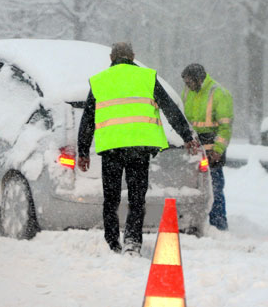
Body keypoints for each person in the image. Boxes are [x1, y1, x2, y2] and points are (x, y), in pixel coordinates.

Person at [77, 42, 198, 255]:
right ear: (133, 56)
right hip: (139, 149)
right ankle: (132, 241)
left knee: (111, 198)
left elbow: (88, 119)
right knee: (136, 198)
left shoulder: (100, 81)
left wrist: (83, 151)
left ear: (111, 58)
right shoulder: (147, 78)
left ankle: (112, 242)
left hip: (112, 149)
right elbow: (170, 109)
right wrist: (186, 136)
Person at [181, 63, 234, 231]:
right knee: (191, 187)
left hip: (212, 149)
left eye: (190, 82)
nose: (187, 86)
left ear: (199, 79)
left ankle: (218, 225)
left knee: (214, 187)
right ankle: (193, 223)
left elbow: (225, 127)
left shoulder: (219, 93)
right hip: (194, 147)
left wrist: (217, 150)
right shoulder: (188, 92)